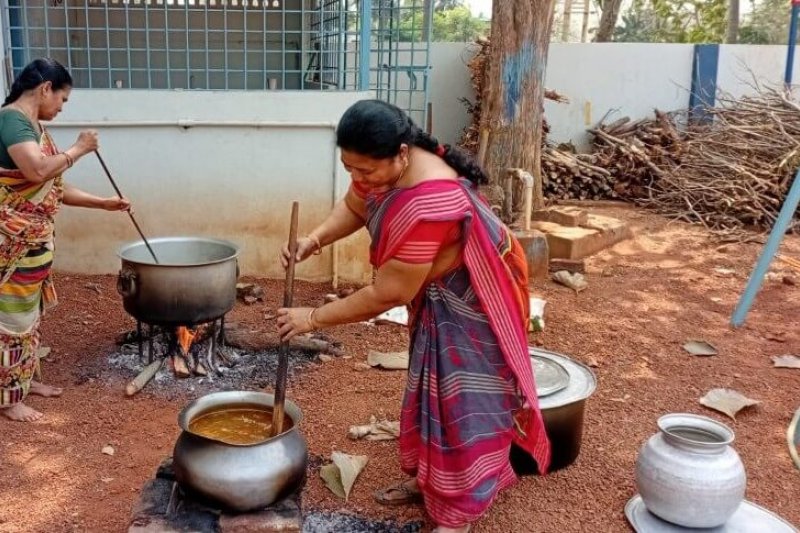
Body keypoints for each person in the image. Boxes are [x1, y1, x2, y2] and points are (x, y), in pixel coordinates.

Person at [277, 99, 550, 532]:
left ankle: (457, 513)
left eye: (365, 170)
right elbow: (354, 205)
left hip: (474, 305)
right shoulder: (386, 168)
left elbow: (389, 291)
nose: (357, 178)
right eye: (349, 167)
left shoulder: (431, 203)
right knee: (433, 391)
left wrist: (313, 317)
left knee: (463, 403)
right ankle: (434, 482)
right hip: (439, 296)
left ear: (402, 154)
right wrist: (315, 239)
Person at [0, 58, 131, 422]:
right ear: (45, 89)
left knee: (30, 316)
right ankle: (9, 400)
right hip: (13, 242)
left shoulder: (34, 127)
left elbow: (52, 185)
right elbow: (37, 169)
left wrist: (103, 203)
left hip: (34, 243)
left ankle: (23, 382)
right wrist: (79, 148)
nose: (61, 107)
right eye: (62, 99)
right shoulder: (12, 121)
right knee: (12, 322)